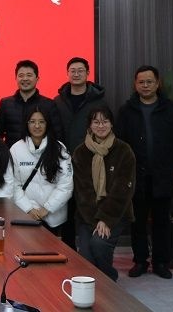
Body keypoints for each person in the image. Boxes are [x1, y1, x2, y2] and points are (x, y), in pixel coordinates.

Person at [116, 65, 173, 279]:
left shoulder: (171, 109)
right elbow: (119, 143)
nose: (145, 85)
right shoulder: (126, 110)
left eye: (149, 82)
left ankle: (160, 262)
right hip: (136, 175)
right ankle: (140, 261)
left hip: (163, 174)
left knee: (161, 221)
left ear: (157, 84)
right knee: (137, 222)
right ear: (135, 84)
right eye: (141, 82)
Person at [73, 106, 136, 282]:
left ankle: (108, 282)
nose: (101, 126)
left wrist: (105, 219)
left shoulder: (124, 150)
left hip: (115, 213)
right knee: (86, 256)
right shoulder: (80, 152)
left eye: (105, 121)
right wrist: (96, 220)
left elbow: (122, 190)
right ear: (89, 125)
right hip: (88, 214)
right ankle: (95, 284)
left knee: (99, 244)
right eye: (96, 122)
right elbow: (83, 192)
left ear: (112, 124)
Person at [54, 56, 107, 250]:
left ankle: (89, 252)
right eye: (72, 71)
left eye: (80, 70)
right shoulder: (58, 101)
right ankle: (68, 250)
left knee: (88, 208)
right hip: (63, 163)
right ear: (67, 73)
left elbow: (105, 131)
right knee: (66, 210)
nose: (76, 74)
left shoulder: (99, 102)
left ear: (88, 73)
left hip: (90, 163)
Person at [10, 108, 73, 234]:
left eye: (41, 122)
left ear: (47, 124)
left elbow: (66, 185)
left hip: (53, 216)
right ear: (27, 124)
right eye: (32, 122)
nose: (37, 126)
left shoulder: (59, 148)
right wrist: (28, 208)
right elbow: (13, 184)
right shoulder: (16, 149)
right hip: (25, 215)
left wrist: (47, 208)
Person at [0, 59, 63, 148]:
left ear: (37, 78)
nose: (25, 79)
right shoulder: (5, 104)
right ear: (16, 78)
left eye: (29, 75)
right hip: (12, 154)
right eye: (21, 75)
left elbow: (57, 135)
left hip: (40, 154)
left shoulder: (48, 104)